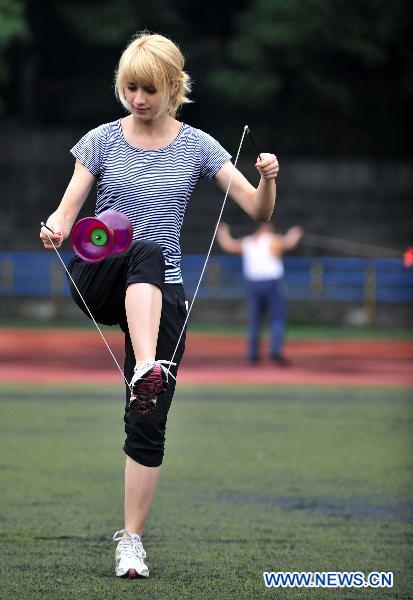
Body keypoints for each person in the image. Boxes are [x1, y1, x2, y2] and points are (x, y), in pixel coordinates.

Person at [39, 32, 279, 580]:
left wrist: (267, 181)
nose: (138, 99)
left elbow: (256, 211)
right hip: (99, 272)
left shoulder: (199, 146)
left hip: (163, 293)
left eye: (150, 89)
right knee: (140, 242)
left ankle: (131, 541)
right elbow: (67, 208)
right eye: (130, 88)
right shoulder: (100, 139)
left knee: (148, 421)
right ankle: (148, 364)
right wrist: (54, 228)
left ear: (174, 87)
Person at [216, 221, 303, 365]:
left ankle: (253, 355)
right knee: (277, 318)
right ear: (265, 228)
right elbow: (289, 243)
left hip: (254, 284)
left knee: (255, 319)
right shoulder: (273, 240)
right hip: (272, 283)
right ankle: (275, 350)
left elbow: (229, 245)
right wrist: (295, 232)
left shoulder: (248, 242)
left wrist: (222, 233)